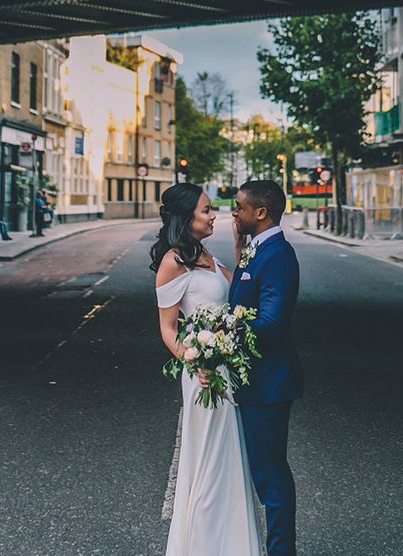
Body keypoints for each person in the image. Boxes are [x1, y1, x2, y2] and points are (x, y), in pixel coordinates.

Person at [152, 183, 262, 556]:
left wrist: (237, 250)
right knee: (209, 459)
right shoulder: (172, 262)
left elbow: (240, 297)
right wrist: (194, 358)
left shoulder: (207, 255)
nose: (214, 214)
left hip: (224, 370)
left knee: (229, 456)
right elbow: (168, 328)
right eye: (206, 210)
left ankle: (230, 543)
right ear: (186, 218)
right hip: (201, 375)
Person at [229, 180, 302, 556]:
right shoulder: (258, 249)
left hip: (268, 384)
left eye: (239, 207)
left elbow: (272, 324)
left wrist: (223, 333)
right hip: (256, 383)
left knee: (270, 475)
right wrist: (240, 252)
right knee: (264, 472)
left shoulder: (278, 256)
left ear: (261, 213)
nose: (233, 213)